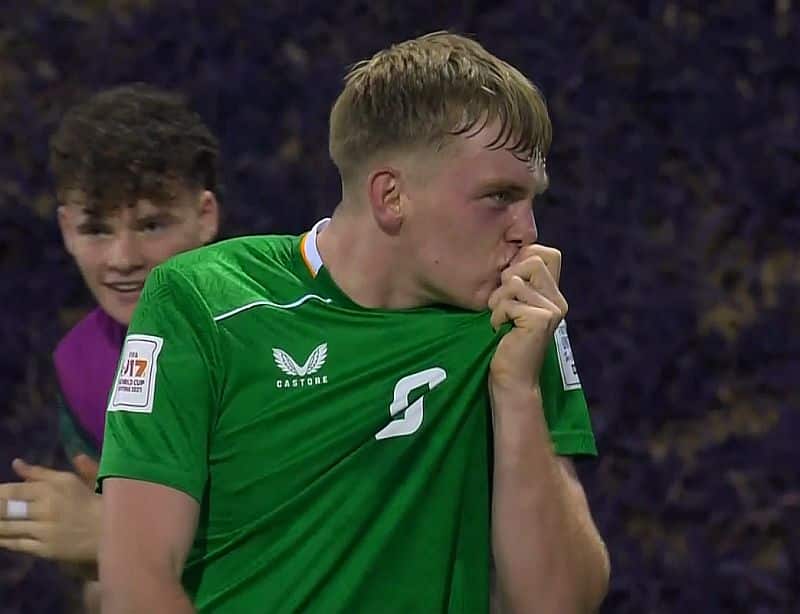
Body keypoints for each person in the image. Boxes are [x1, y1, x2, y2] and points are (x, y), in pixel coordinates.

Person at [98, 32, 609, 613]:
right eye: (498, 197)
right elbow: (136, 581)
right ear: (391, 196)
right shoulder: (204, 302)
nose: (528, 231)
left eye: (530, 200)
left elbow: (559, 604)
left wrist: (517, 393)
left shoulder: (517, 322)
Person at [0, 83, 220, 610]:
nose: (122, 258)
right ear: (65, 230)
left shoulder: (285, 333)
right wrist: (85, 549)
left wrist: (114, 536)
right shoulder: (81, 370)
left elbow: (319, 535)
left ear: (205, 217)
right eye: (96, 229)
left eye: (150, 224)